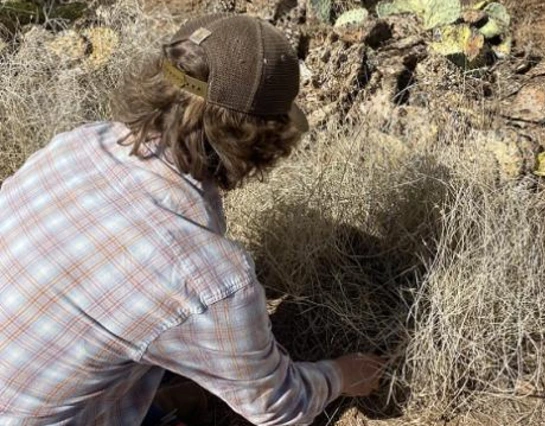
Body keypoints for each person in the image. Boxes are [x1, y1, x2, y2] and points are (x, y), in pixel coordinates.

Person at [0, 13, 384, 425]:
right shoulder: (210, 280)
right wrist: (341, 376)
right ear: (262, 139)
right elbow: (279, 407)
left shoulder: (78, 144)